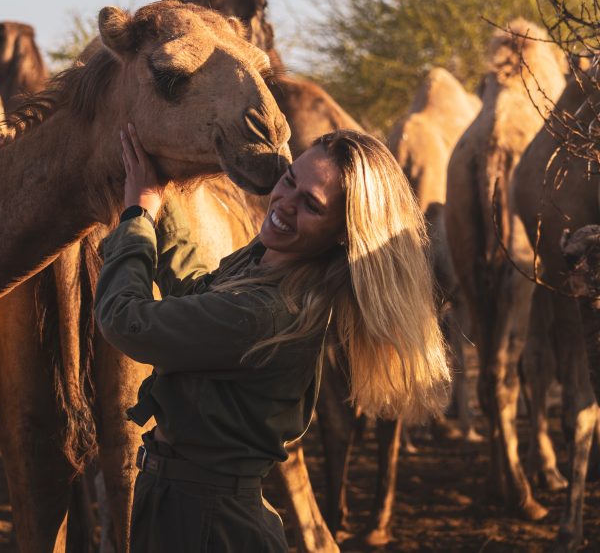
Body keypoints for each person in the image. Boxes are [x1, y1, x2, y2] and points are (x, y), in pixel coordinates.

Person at [95, 125, 452, 552]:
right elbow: (196, 293)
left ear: (343, 233)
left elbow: (123, 319)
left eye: (311, 205)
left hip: (207, 523)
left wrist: (138, 217)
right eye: (289, 181)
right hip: (182, 503)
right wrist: (167, 201)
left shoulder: (270, 311)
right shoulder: (268, 263)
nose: (284, 203)